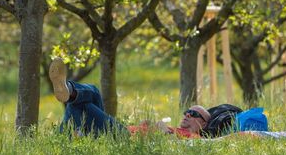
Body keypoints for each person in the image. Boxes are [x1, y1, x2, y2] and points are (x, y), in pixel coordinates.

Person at [49, 58, 211, 138]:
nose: (187, 114)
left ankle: (70, 94)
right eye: (187, 111)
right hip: (121, 130)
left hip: (123, 138)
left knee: (81, 105)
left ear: (203, 123)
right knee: (93, 93)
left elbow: (234, 137)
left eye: (194, 114)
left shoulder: (194, 138)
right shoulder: (176, 129)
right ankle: (69, 90)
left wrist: (165, 133)